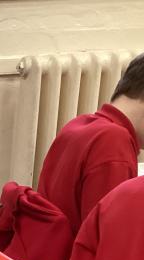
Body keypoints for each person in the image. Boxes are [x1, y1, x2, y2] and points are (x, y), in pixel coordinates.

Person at [37, 52, 144, 235]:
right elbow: (108, 240)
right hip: (72, 253)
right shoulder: (114, 144)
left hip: (45, 247)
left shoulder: (81, 125)